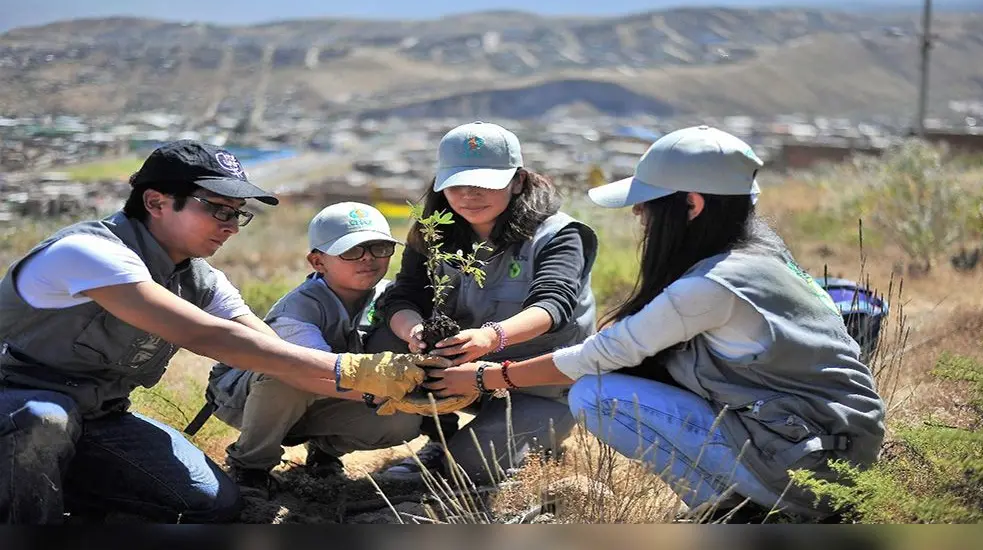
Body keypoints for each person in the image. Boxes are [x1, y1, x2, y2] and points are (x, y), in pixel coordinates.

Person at [426, 125, 886, 520]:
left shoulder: (713, 285)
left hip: (808, 467)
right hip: (835, 447)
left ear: (691, 205)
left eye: (647, 202)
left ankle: (737, 512)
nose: (638, 214)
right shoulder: (760, 252)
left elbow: (599, 358)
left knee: (596, 394)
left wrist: (488, 377)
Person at [0, 140, 444, 524]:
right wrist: (359, 370)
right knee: (42, 420)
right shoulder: (89, 253)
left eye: (237, 214)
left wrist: (395, 389)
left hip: (100, 418)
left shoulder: (199, 278)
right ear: (156, 202)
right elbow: (212, 337)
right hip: (16, 403)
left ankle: (63, 483)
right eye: (217, 209)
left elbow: (271, 351)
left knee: (211, 504)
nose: (230, 225)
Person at [368, 121, 599, 481]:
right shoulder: (433, 232)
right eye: (456, 184)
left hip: (539, 382)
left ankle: (530, 439)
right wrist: (412, 330)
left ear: (518, 181)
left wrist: (491, 338)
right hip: (457, 370)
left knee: (468, 468)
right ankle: (437, 434)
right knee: (384, 336)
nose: (468, 195)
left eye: (485, 183)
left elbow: (553, 305)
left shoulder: (558, 235)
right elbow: (405, 294)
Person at [204, 202, 423, 496]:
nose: (368, 259)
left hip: (325, 394)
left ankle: (324, 452)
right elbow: (309, 372)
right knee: (285, 374)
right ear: (318, 262)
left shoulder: (391, 296)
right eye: (352, 251)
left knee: (404, 420)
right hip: (251, 397)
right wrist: (383, 392)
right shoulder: (299, 308)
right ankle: (250, 466)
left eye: (379, 247)